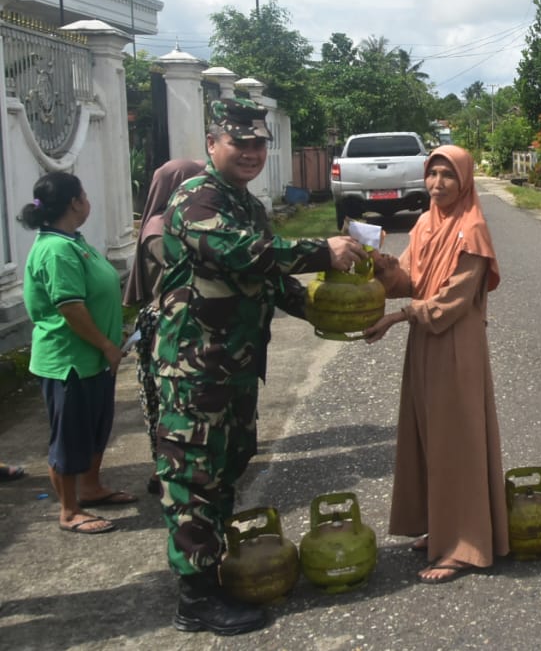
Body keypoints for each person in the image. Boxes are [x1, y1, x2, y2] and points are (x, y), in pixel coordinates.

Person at [153, 98, 363, 635]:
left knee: (226, 470)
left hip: (235, 365)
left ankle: (215, 571)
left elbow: (269, 280)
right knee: (194, 479)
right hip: (192, 370)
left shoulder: (246, 204)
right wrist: (323, 252)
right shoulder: (197, 199)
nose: (250, 152)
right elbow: (245, 254)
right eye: (238, 142)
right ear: (212, 144)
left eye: (258, 144)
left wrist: (327, 311)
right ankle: (195, 600)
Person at [363, 145, 508, 584]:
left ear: (464, 179)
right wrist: (384, 268)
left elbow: (452, 303)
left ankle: (464, 545)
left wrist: (398, 317)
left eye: (447, 175)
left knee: (457, 441)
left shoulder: (473, 229)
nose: (437, 184)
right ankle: (440, 528)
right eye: (432, 175)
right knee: (426, 433)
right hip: (425, 341)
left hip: (455, 343)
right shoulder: (425, 223)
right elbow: (410, 281)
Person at [20, 172, 133, 536]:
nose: (88, 201)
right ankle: (69, 510)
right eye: (84, 195)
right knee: (69, 437)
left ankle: (91, 487)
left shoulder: (73, 241)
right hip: (69, 360)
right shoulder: (55, 249)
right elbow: (70, 307)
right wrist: (106, 344)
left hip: (93, 361)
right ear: (74, 202)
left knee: (96, 428)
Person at [123, 159, 204, 496]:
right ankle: (166, 469)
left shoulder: (174, 223)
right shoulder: (160, 230)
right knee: (168, 402)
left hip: (178, 319)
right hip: (168, 324)